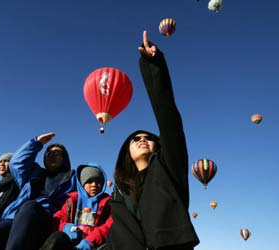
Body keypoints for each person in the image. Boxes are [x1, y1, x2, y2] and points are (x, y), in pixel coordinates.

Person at [107, 31, 200, 250]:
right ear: (126, 151)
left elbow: (167, 116)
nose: (142, 140)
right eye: (135, 139)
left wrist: (153, 66)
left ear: (158, 145)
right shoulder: (120, 192)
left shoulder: (169, 169)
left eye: (148, 138)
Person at [0, 132, 76, 250]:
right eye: (48, 153)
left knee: (29, 207)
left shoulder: (71, 178)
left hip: (46, 218)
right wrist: (36, 143)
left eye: (57, 153)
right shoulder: (34, 172)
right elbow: (15, 163)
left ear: (64, 158)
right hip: (15, 217)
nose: (51, 155)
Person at [40, 163, 112, 250]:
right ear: (82, 184)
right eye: (89, 181)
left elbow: (109, 225)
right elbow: (57, 219)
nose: (94, 184)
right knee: (57, 238)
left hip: (96, 245)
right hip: (70, 243)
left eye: (98, 181)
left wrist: (90, 241)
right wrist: (66, 227)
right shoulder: (71, 200)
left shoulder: (108, 203)